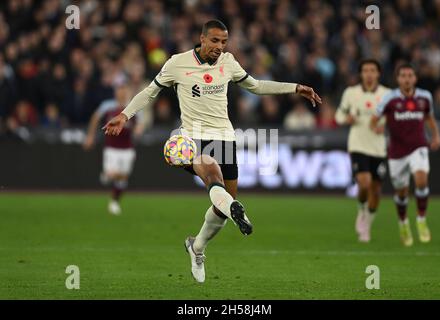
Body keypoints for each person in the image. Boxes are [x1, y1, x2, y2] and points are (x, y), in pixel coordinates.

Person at [102, 20, 322, 282]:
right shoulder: (177, 63)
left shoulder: (228, 62)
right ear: (202, 39)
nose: (220, 47)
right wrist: (124, 116)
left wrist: (295, 87)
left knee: (222, 209)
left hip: (225, 139)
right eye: (215, 41)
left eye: (224, 42)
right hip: (192, 138)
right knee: (211, 172)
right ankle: (234, 210)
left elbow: (256, 86)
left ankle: (197, 247)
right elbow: (150, 93)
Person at [371, 63, 440, 246]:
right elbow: (374, 119)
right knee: (401, 193)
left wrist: (435, 136)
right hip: (396, 152)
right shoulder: (389, 99)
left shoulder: (425, 97)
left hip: (419, 146)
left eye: (410, 75)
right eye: (403, 76)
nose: (407, 79)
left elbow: (429, 118)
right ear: (398, 79)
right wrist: (377, 127)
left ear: (415, 78)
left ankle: (421, 219)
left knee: (421, 180)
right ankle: (403, 222)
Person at [335, 59, 390, 242]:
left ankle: (368, 223)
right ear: (360, 74)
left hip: (378, 148)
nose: (369, 74)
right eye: (365, 70)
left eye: (372, 70)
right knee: (364, 183)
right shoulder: (351, 93)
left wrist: (386, 126)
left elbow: (394, 119)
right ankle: (361, 211)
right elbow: (339, 115)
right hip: (358, 145)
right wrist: (347, 119)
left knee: (376, 191)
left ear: (378, 74)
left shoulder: (387, 94)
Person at [84, 84, 145, 215]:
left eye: (124, 90)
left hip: (127, 148)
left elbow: (140, 122)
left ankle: (114, 201)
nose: (122, 93)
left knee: (123, 179)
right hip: (111, 148)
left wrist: (139, 129)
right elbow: (95, 118)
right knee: (113, 174)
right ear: (116, 92)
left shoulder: (132, 106)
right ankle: (107, 176)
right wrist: (90, 136)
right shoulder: (108, 105)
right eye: (119, 90)